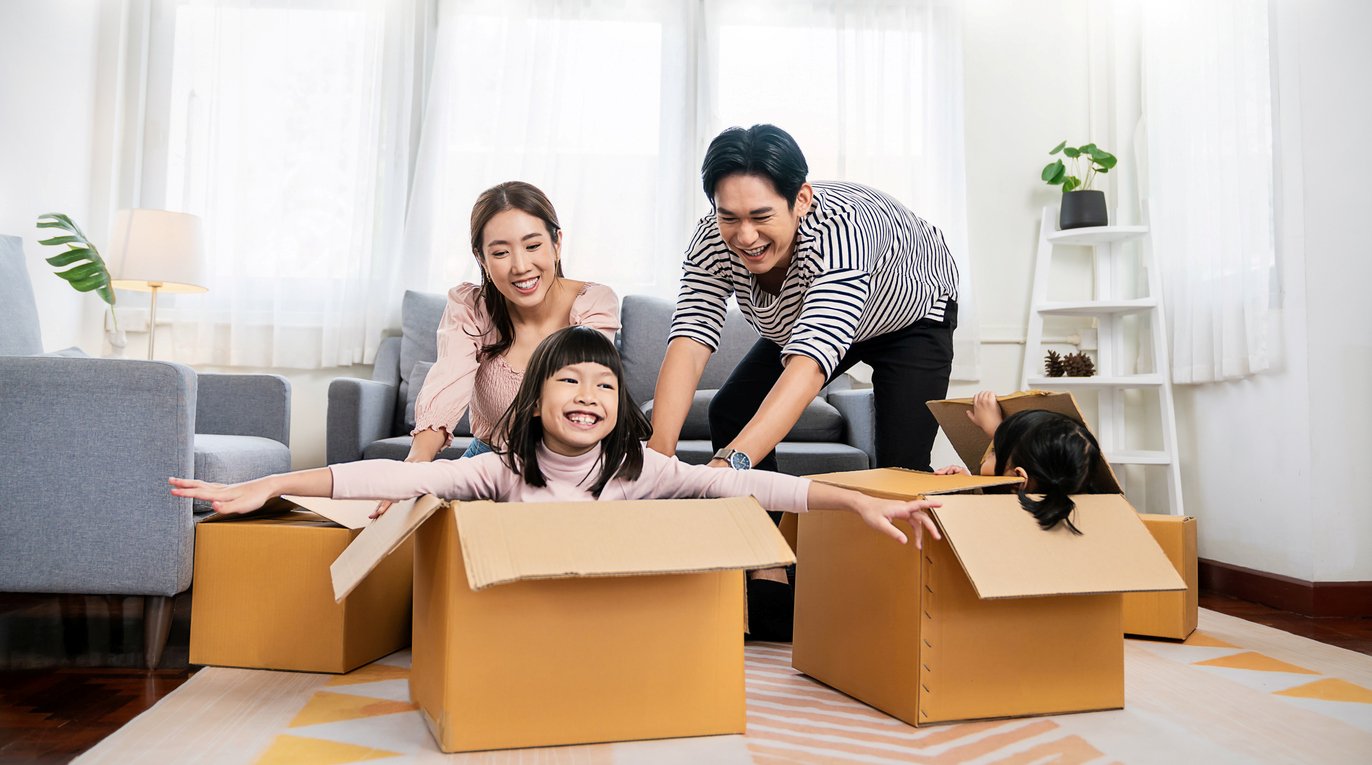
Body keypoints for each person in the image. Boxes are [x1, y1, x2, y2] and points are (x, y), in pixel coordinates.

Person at [170, 326, 943, 549]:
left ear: (621, 410)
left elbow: (751, 483)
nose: (589, 393)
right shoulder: (500, 468)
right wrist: (278, 482)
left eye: (606, 385)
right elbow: (399, 480)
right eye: (569, 381)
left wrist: (849, 501)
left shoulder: (646, 467)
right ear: (536, 403)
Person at [647, 124, 960, 635]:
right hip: (803, 317)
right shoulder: (712, 240)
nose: (744, 236)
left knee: (902, 466)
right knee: (732, 410)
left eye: (761, 217)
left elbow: (811, 364)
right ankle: (767, 568)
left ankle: (902, 609)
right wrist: (658, 451)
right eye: (729, 217)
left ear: (801, 200)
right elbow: (690, 337)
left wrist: (733, 463)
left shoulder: (841, 236)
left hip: (911, 313)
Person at [382, 181, 619, 516]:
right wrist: (415, 464)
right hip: (487, 462)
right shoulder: (469, 307)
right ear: (481, 257)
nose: (520, 266)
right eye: (500, 252)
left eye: (533, 245)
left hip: (570, 471)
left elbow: (583, 395)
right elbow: (447, 383)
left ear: (557, 243)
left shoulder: (593, 303)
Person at [935, 391, 1104, 534]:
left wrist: (964, 492)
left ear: (1018, 480)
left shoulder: (994, 521)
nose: (986, 455)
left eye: (993, 451)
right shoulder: (1071, 503)